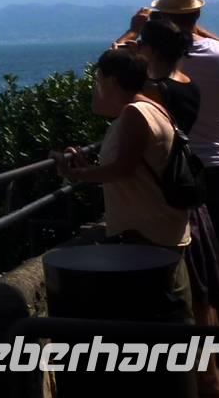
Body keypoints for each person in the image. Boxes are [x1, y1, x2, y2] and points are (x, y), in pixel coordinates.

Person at [117, 0, 219, 321]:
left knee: (191, 253)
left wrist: (132, 32)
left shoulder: (155, 62)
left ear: (161, 19)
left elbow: (111, 70)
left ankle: (205, 343)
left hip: (180, 170)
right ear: (197, 14)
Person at [56, 47, 191, 318]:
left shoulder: (134, 114)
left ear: (112, 80)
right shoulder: (151, 106)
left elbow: (122, 169)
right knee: (173, 309)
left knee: (164, 317)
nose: (96, 83)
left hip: (146, 230)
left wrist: (73, 174)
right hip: (161, 223)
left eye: (99, 78)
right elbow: (132, 165)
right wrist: (88, 167)